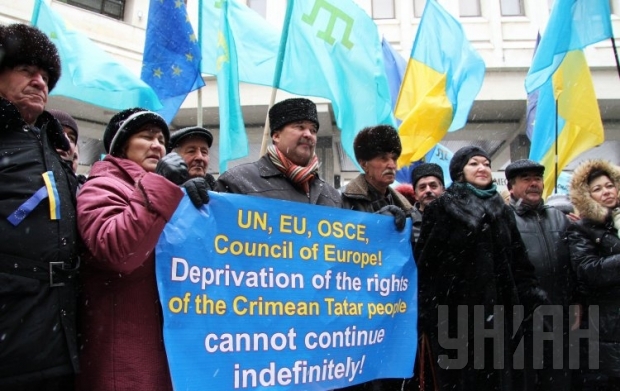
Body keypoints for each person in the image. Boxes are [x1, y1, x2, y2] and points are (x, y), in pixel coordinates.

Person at [75, 108, 208, 390]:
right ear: (122, 146)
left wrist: (190, 203)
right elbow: (117, 251)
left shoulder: (165, 188)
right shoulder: (101, 187)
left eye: (161, 139)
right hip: (125, 351)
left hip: (169, 348)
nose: (157, 145)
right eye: (147, 137)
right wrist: (161, 185)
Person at [414, 146, 546, 391]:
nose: (482, 168)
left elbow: (519, 264)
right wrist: (427, 315)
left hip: (503, 319)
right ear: (460, 172)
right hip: (456, 320)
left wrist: (533, 302)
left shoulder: (503, 212)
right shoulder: (441, 208)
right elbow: (426, 266)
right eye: (474, 163)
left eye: (486, 163)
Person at [0, 23, 80, 389]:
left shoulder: (53, 149)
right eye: (26, 70)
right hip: (11, 336)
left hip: (60, 339)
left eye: (45, 76)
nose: (39, 81)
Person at [505, 159, 576, 390]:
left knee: (559, 380)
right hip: (522, 321)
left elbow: (574, 266)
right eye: (526, 179)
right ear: (511, 187)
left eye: (537, 178)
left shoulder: (559, 218)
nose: (534, 184)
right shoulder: (504, 219)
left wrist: (576, 301)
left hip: (560, 317)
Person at [215, 98, 341, 207]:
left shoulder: (332, 196)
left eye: (313, 130)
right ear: (276, 136)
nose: (308, 134)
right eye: (300, 127)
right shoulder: (237, 182)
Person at [568, 159, 620, 390]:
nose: (606, 192)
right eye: (597, 189)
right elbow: (588, 270)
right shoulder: (582, 229)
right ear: (587, 196)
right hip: (607, 325)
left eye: (609, 185)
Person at [340, 124, 410, 231]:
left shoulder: (408, 208)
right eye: (383, 158)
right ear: (364, 164)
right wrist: (374, 224)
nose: (392, 165)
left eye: (394, 159)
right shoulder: (340, 200)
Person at [410, 162, 445, 242]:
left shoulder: (455, 219)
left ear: (443, 190)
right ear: (415, 195)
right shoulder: (406, 222)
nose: (428, 190)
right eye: (422, 187)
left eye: (433, 186)